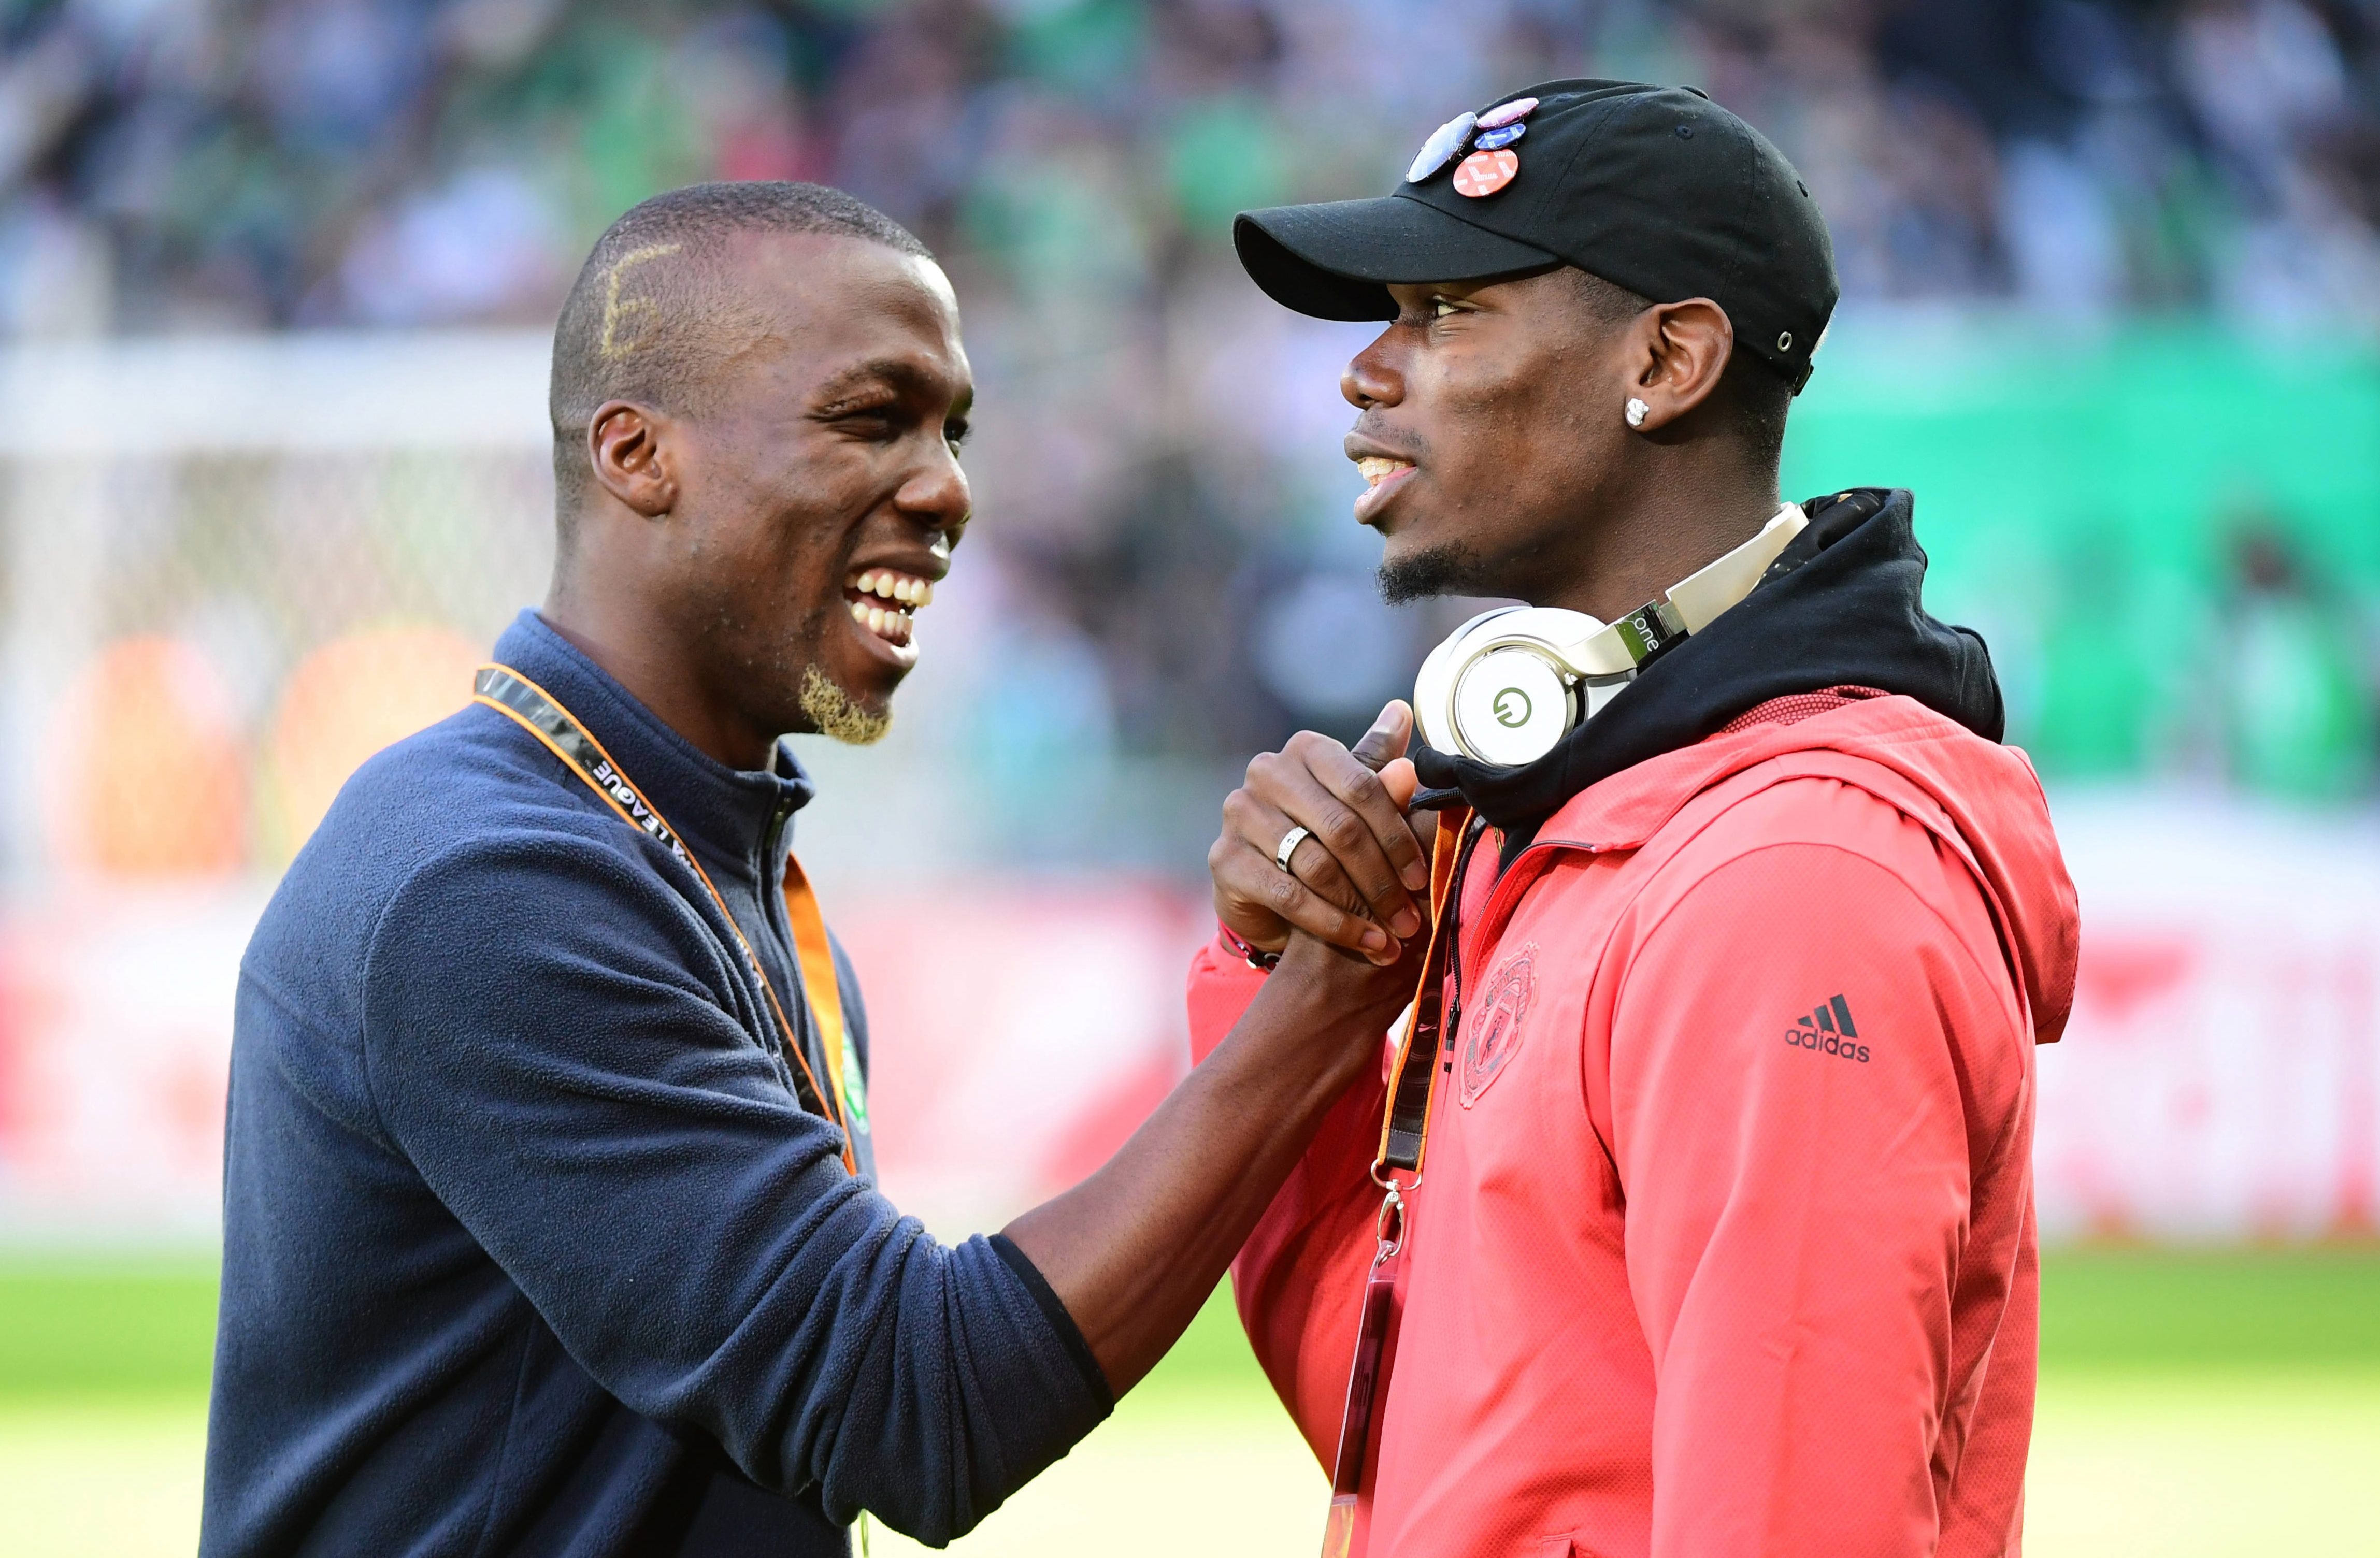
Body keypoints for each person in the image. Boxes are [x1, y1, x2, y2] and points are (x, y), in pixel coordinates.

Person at [202, 182, 1413, 1558]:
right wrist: (1324, 1001)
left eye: (950, 431)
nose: (948, 488)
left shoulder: (688, 841)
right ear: (636, 454)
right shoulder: (493, 885)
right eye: (868, 420)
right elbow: (918, 1405)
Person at [1194, 82, 2081, 1557]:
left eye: (1443, 310)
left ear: (1665, 362)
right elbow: (1424, 1440)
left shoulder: (1793, 882)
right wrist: (1295, 982)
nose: (1362, 371)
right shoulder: (1562, 817)